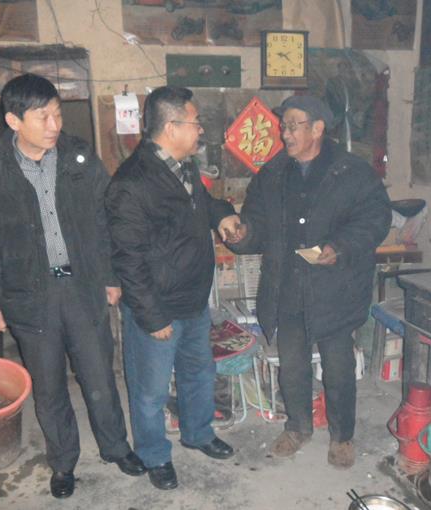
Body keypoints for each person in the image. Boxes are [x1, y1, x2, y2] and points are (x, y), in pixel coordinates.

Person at [0, 74, 144, 499]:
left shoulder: (79, 157)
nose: (54, 124)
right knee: (49, 387)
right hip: (28, 294)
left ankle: (116, 447)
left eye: (57, 114)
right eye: (42, 116)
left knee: (100, 375)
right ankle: (63, 462)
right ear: (13, 120)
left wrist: (110, 276)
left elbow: (104, 222)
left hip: (82, 286)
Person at [226, 95, 391, 468]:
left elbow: (375, 218)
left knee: (338, 367)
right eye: (283, 126)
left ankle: (342, 437)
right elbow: (257, 225)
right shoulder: (272, 175)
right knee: (292, 364)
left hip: (335, 286)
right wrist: (243, 235)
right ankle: (297, 427)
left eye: (292, 125)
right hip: (286, 285)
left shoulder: (352, 172)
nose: (285, 134)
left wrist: (339, 246)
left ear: (317, 128)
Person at [106, 86, 242, 490]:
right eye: (195, 123)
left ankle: (198, 433)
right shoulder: (132, 182)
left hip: (193, 300)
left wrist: (222, 215)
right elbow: (128, 259)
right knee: (149, 390)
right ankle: (154, 455)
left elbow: (203, 203)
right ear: (171, 127)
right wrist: (152, 317)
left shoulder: (183, 166)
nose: (201, 130)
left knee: (198, 373)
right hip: (158, 308)